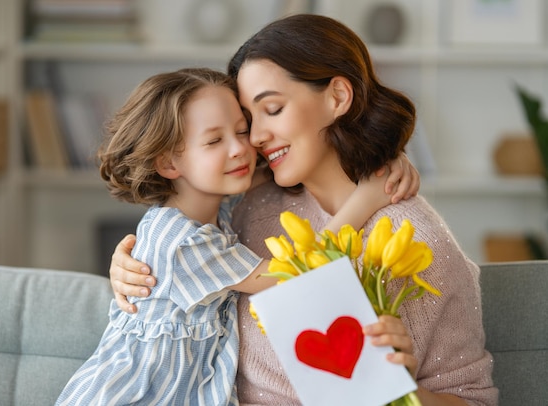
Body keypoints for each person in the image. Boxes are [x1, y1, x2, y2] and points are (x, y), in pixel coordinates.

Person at [108, 14, 498, 405]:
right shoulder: (249, 207)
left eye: (272, 109)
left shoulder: (413, 240)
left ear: (338, 98)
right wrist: (138, 265)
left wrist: (398, 392)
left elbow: (473, 399)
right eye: (248, 120)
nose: (255, 139)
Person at [56, 67, 409, 405]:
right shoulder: (184, 244)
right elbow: (292, 274)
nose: (240, 148)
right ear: (168, 164)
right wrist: (365, 200)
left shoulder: (212, 210)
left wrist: (389, 157)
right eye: (214, 140)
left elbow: (278, 170)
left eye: (242, 131)